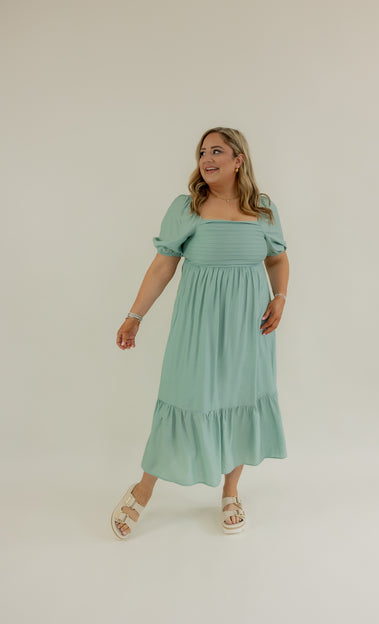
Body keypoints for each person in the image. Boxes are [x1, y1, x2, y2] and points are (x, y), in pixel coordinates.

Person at [111, 126, 289, 538]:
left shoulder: (262, 208)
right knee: (185, 398)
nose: (207, 159)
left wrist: (280, 297)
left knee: (241, 398)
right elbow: (163, 266)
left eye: (217, 151)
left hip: (249, 327)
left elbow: (277, 258)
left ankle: (231, 492)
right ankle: (142, 490)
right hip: (198, 326)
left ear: (238, 160)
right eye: (203, 152)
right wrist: (135, 315)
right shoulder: (188, 206)